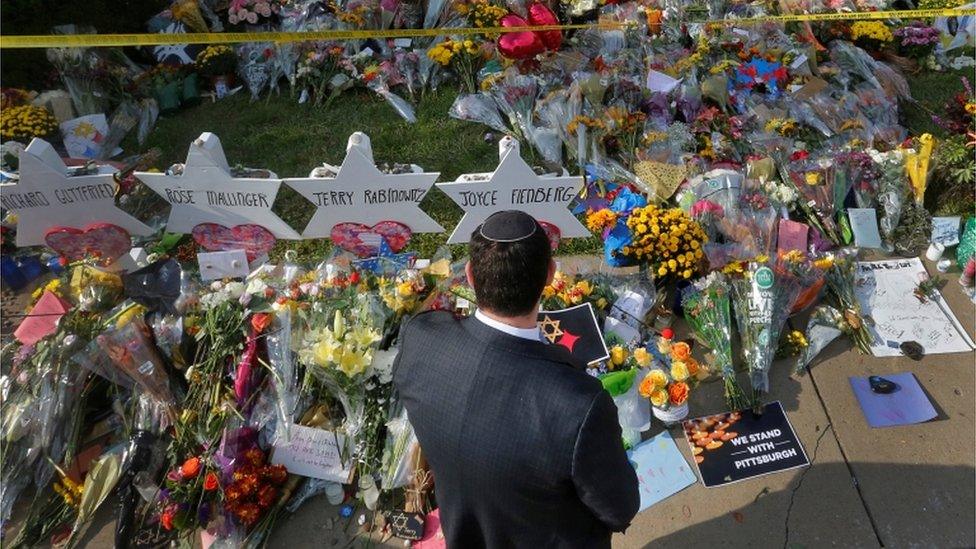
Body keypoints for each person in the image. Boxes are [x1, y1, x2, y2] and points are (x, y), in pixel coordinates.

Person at [393, 210, 640, 548]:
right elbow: (618, 508)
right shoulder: (578, 405)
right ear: (551, 275)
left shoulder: (421, 339)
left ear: (469, 275)